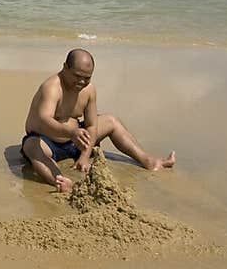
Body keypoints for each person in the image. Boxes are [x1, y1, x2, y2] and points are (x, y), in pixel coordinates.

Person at [20, 48, 175, 195]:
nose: (81, 82)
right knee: (31, 146)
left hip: (78, 140)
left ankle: (149, 161)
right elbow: (43, 119)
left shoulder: (89, 90)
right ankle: (60, 181)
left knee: (111, 121)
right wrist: (71, 132)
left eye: (87, 78)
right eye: (77, 76)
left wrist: (85, 156)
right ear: (65, 67)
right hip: (47, 142)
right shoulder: (52, 86)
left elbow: (92, 125)